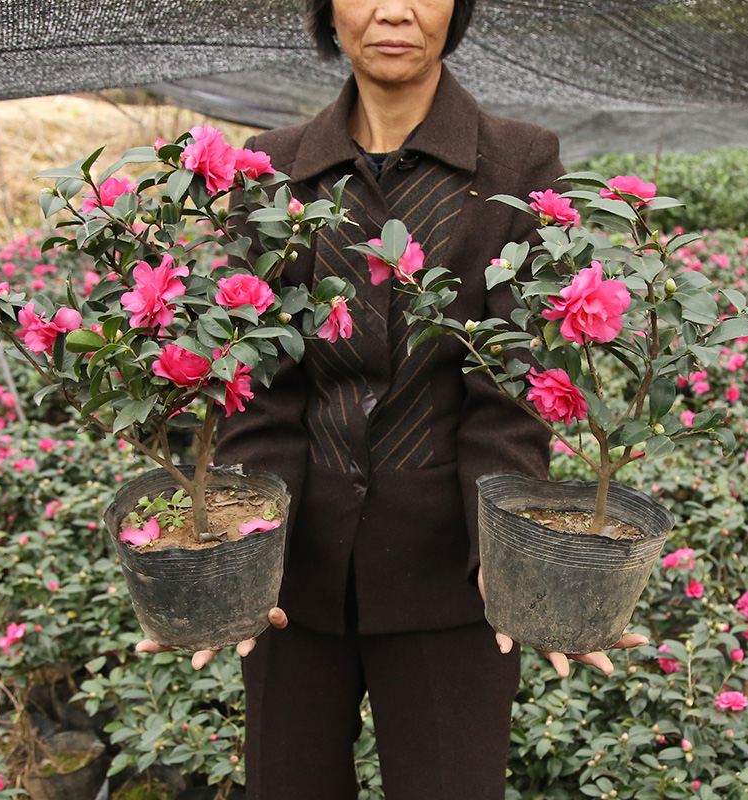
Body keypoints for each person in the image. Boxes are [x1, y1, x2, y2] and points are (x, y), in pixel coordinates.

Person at [139, 1, 647, 797]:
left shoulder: (516, 163)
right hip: (292, 592)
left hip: (452, 584)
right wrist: (238, 558)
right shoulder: (274, 169)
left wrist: (510, 566)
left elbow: (507, 394)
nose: (394, 10)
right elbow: (261, 391)